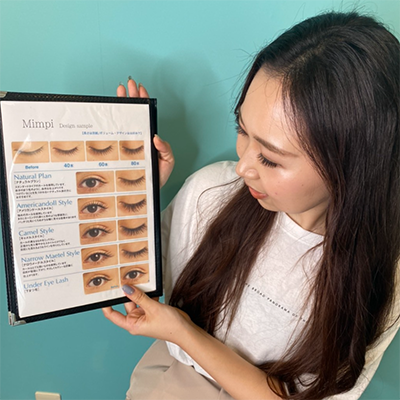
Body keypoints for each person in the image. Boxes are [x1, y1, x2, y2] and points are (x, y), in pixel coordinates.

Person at [103, 11, 400, 400]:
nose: (243, 167)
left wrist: (182, 332)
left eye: (271, 159)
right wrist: (133, 196)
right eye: (242, 130)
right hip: (168, 381)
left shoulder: (380, 273)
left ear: (353, 166)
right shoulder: (210, 191)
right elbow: (123, 275)